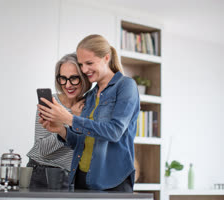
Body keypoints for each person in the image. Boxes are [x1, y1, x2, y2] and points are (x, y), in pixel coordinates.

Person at [38, 34, 140, 191]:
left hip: (112, 181)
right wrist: (61, 129)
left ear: (106, 58)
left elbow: (114, 132)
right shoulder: (90, 96)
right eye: (81, 64)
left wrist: (70, 118)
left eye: (89, 63)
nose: (84, 70)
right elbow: (81, 142)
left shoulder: (126, 86)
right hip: (81, 178)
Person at [26, 53, 91, 188]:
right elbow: (42, 150)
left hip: (71, 177)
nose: (68, 85)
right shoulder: (50, 104)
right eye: (63, 78)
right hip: (41, 173)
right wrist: (70, 119)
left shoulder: (89, 107)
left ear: (84, 78)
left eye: (74, 78)